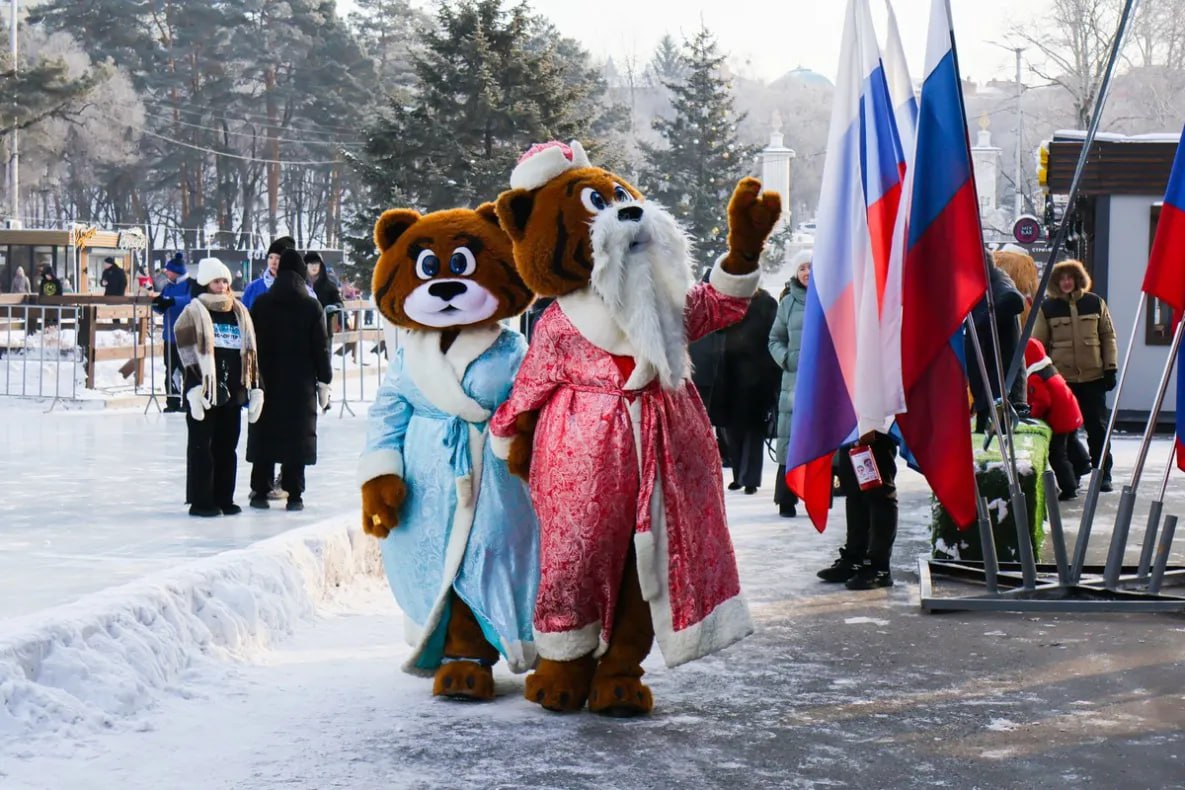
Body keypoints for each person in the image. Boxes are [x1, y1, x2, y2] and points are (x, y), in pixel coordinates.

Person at [173, 258, 263, 517]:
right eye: (216, 281)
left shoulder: (239, 312)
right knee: (203, 448)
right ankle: (202, 500)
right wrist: (192, 389)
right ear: (205, 283)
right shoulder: (194, 311)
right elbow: (183, 352)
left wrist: (256, 388)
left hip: (232, 390)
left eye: (225, 280)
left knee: (227, 447)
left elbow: (251, 354)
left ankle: (224, 497)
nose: (222, 285)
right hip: (204, 390)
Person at [247, 249, 333, 511]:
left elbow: (251, 345)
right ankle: (294, 494)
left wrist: (252, 380)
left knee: (265, 435)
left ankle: (260, 491)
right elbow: (321, 346)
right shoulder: (311, 305)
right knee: (297, 437)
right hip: (301, 383)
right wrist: (324, 380)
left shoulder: (262, 303)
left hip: (267, 380)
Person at [1033, 259, 1118, 492]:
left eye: (1070, 277)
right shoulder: (1047, 308)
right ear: (1056, 282)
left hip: (1094, 378)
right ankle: (1077, 469)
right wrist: (1042, 377)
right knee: (1065, 431)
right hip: (1063, 381)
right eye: (1062, 279)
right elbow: (1038, 345)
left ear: (1078, 279)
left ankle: (1103, 475)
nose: (1067, 282)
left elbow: (1108, 337)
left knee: (1097, 429)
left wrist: (1110, 367)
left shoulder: (1095, 303)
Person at [716, 287, 781, 494]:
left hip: (758, 377)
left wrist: (772, 377)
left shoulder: (767, 304)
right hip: (731, 377)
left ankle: (750, 478)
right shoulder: (729, 301)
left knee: (754, 431)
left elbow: (773, 339)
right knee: (733, 432)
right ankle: (738, 475)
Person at [817, 431, 899, 589]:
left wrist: (871, 424)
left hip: (873, 425)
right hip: (851, 427)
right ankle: (855, 557)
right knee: (853, 492)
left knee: (879, 493)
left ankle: (879, 567)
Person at [768, 250, 811, 517]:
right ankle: (786, 498)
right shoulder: (787, 304)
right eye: (802, 268)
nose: (807, 272)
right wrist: (788, 359)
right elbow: (774, 339)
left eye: (811, 267)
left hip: (822, 383)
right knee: (789, 438)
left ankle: (822, 492)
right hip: (793, 383)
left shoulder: (828, 297)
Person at [966, 251, 1026, 434]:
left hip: (999, 380)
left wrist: (981, 323)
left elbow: (1014, 300)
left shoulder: (997, 281)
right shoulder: (981, 285)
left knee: (997, 440)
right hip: (987, 381)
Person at [1024, 338, 1089, 500]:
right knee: (1072, 443)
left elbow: (1043, 401)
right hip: (1071, 413)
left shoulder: (1034, 378)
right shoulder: (1049, 370)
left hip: (1059, 419)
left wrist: (1033, 415)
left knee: (1057, 454)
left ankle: (1069, 487)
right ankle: (1083, 464)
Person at [151, 253, 193, 412]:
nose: (166, 273)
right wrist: (157, 304)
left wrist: (173, 301)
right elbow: (162, 303)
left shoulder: (190, 284)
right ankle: (173, 401)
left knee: (188, 370)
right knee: (171, 370)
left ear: (176, 271)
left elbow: (192, 300)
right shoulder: (168, 286)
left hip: (187, 336)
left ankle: (188, 402)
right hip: (170, 336)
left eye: (168, 270)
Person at [242, 236, 315, 309]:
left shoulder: (304, 291)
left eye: (278, 258)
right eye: (270, 257)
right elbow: (243, 315)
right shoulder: (253, 288)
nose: (273, 262)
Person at [305, 251, 343, 367]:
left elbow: (340, 304)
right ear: (305, 266)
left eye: (317, 264)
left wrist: (334, 308)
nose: (314, 267)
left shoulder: (329, 285)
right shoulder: (299, 284)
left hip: (324, 330)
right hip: (304, 330)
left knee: (324, 362)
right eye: (311, 264)